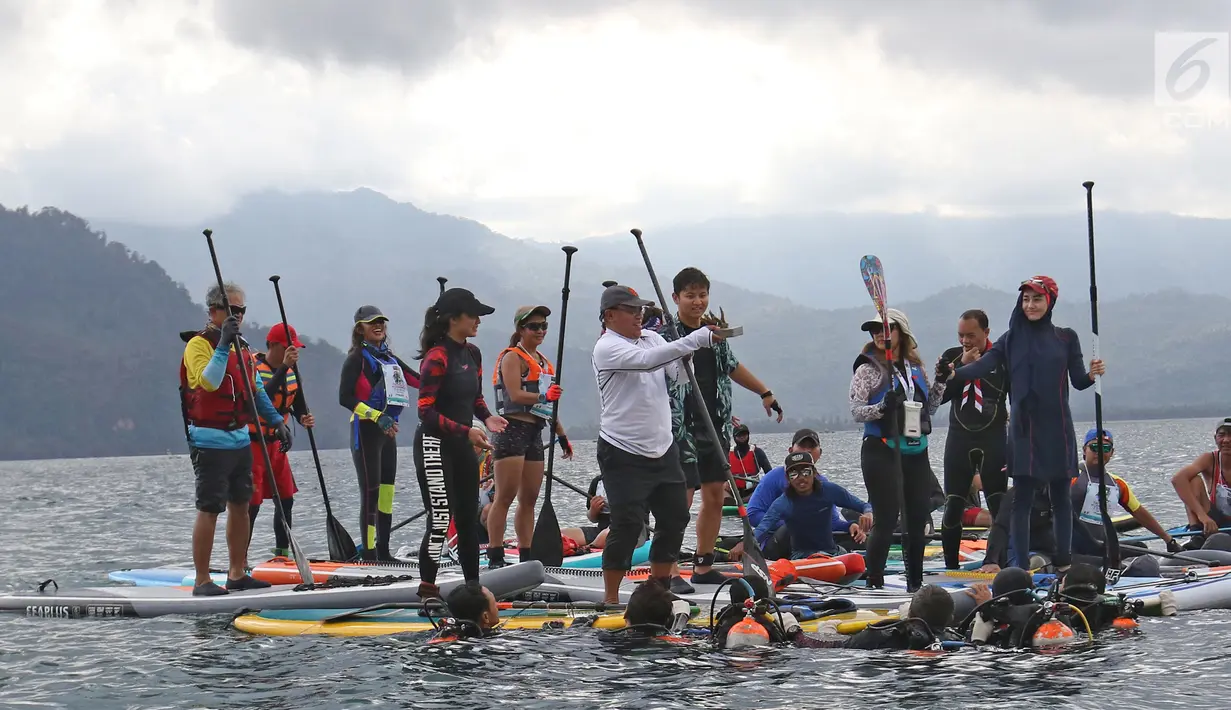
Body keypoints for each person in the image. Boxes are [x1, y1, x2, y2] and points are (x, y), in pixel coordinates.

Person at [949, 276, 1105, 574]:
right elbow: (983, 366)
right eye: (1026, 299)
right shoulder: (1011, 338)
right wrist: (954, 373)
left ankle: (1063, 562)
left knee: (1061, 498)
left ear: (1050, 303)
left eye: (1037, 299)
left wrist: (1093, 373)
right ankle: (1019, 568)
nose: (1030, 305)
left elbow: (1079, 382)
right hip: (1022, 430)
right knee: (1022, 499)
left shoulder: (1067, 338)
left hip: (1058, 428)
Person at [592, 283, 721, 604]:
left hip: (663, 448)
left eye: (641, 310)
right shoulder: (607, 347)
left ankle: (659, 589)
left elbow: (674, 377)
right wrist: (691, 339)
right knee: (628, 524)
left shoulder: (653, 337)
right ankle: (611, 599)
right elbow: (647, 362)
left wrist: (686, 355)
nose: (639, 315)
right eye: (631, 310)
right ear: (610, 316)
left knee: (676, 517)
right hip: (621, 449)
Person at [666, 267, 783, 586]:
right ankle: (670, 568)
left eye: (702, 295)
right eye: (690, 295)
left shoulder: (713, 333)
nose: (697, 301)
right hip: (681, 427)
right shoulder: (667, 334)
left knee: (715, 496)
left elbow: (732, 367)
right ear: (676, 298)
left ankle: (702, 567)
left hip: (715, 424)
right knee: (682, 499)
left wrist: (765, 392)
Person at [178, 282, 290, 596]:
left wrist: (277, 422)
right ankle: (202, 579)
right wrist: (224, 342)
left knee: (242, 505)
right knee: (210, 508)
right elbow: (210, 383)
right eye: (231, 310)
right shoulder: (198, 346)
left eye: (241, 310)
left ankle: (237, 572)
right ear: (214, 311)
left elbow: (255, 392)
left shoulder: (243, 349)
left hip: (240, 438)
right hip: (210, 440)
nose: (237, 316)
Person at [414, 287, 508, 598]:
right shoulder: (436, 358)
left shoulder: (472, 353)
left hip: (462, 446)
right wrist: (465, 431)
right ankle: (427, 590)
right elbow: (426, 412)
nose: (479, 320)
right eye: (474, 315)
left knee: (467, 518)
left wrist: (487, 417)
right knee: (440, 518)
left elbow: (476, 398)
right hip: (433, 445)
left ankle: (473, 589)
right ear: (454, 319)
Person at [849, 307, 947, 591]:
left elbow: (929, 408)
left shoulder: (916, 369)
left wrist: (941, 381)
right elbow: (856, 411)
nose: (880, 334)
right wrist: (882, 407)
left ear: (900, 333)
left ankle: (915, 583)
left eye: (886, 329)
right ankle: (874, 582)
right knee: (887, 516)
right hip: (880, 449)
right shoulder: (867, 370)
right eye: (875, 330)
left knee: (916, 518)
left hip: (916, 450)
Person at [486, 305, 574, 567]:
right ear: (521, 329)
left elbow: (548, 408)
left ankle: (526, 554)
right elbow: (515, 394)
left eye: (544, 326)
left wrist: (562, 436)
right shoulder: (512, 357)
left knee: (529, 499)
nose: (540, 331)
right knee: (505, 495)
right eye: (534, 326)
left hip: (535, 431)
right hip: (511, 430)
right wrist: (545, 395)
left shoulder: (544, 362)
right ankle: (495, 555)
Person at [338, 305, 421, 562]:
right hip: (365, 430)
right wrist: (377, 416)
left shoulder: (390, 360)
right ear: (359, 328)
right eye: (372, 322)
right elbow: (344, 398)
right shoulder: (356, 358)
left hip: (387, 433)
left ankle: (384, 552)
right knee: (371, 493)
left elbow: (419, 379)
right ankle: (370, 555)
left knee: (387, 493)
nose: (379, 326)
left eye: (382, 322)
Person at [937, 309, 1010, 569]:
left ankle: (997, 563)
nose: (965, 341)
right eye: (961, 336)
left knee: (998, 505)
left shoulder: (1001, 359)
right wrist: (960, 367)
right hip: (959, 439)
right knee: (953, 504)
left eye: (971, 335)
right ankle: (950, 568)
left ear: (986, 333)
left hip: (994, 440)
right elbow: (941, 396)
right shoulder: (951, 357)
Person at [247, 322, 315, 558]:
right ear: (274, 345)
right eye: (288, 347)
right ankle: (240, 558)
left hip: (278, 445)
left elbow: (295, 403)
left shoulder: (293, 371)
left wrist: (303, 416)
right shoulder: (254, 367)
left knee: (286, 500)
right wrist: (283, 367)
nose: (293, 352)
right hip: (253, 444)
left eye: (295, 348)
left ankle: (282, 554)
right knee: (251, 505)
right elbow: (260, 399)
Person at [740, 430, 860, 559]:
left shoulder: (824, 485)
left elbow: (832, 522)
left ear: (819, 453)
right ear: (791, 450)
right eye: (802, 446)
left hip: (811, 545)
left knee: (850, 538)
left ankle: (826, 558)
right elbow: (753, 515)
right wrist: (794, 522)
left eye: (812, 447)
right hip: (776, 543)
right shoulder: (773, 478)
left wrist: (850, 526)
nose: (807, 451)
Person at [1071, 428, 1178, 555]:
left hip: (1101, 547)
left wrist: (1168, 540)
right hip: (1072, 549)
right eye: (1094, 447)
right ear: (1084, 450)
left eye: (1105, 448)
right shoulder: (1070, 477)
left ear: (1112, 453)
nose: (1099, 452)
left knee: (1140, 547)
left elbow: (1139, 513)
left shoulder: (1117, 484)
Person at [753, 452, 873, 559]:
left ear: (814, 472)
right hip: (802, 558)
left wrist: (866, 514)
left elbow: (863, 505)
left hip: (831, 553)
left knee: (858, 559)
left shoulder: (830, 490)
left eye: (806, 472)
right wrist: (743, 545)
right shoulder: (783, 502)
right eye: (793, 474)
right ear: (787, 478)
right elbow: (762, 528)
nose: (800, 478)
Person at [1171, 417, 1231, 548]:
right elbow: (1177, 479)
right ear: (1216, 438)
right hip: (1215, 523)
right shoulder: (1210, 459)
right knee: (1192, 480)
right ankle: (1196, 536)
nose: (1226, 440)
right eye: (1222, 435)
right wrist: (1202, 516)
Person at [432, 581, 502, 641]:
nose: (497, 608)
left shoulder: (445, 635)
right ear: (485, 617)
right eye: (494, 605)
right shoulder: (498, 639)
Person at [728, 422, 773, 499]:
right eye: (739, 435)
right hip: (733, 491)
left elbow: (769, 473)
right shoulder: (728, 453)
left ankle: (749, 503)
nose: (742, 437)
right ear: (734, 437)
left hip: (752, 490)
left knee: (757, 492)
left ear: (748, 435)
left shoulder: (757, 452)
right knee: (721, 490)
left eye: (744, 435)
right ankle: (729, 503)